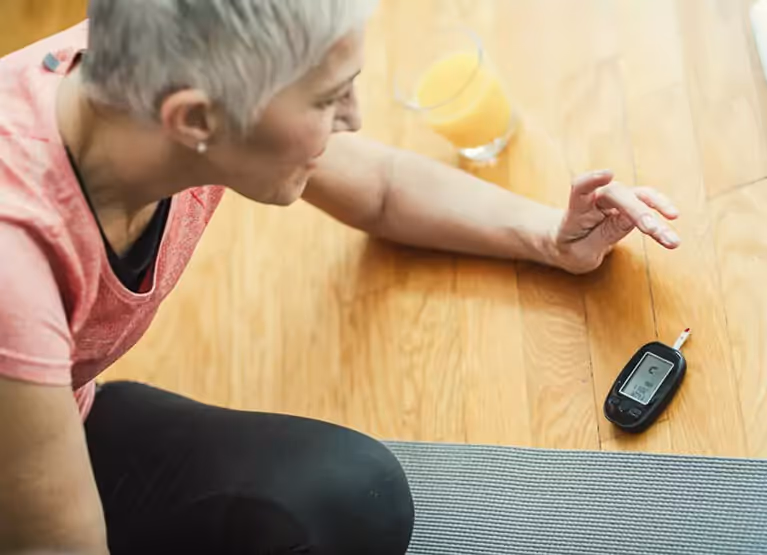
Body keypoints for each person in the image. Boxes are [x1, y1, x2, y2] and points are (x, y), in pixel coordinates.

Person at [0, 1, 681, 554]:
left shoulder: (152, 74)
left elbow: (379, 186)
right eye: (329, 99)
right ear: (195, 119)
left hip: (57, 411)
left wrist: (547, 238)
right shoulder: (14, 261)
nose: (353, 116)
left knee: (353, 496)